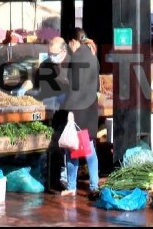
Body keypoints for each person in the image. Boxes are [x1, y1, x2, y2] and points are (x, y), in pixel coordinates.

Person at [17, 37, 72, 190]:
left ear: (63, 51)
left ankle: (61, 180)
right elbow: (36, 84)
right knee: (49, 146)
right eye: (49, 53)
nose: (51, 56)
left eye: (54, 53)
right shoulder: (45, 65)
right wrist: (26, 88)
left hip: (65, 111)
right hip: (46, 110)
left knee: (61, 146)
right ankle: (50, 179)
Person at [60, 27, 100, 200]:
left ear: (73, 41)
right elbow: (96, 85)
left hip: (78, 109)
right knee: (88, 148)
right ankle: (94, 185)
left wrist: (69, 111)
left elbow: (72, 86)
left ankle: (71, 186)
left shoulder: (76, 58)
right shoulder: (92, 55)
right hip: (91, 108)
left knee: (73, 149)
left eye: (69, 43)